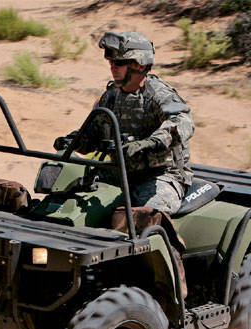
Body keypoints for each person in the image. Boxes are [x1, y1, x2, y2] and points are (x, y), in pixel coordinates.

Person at [55, 31, 195, 214]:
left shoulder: (159, 95)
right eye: (111, 62)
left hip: (160, 176)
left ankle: (169, 241)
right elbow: (93, 133)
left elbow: (183, 122)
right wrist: (73, 141)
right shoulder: (111, 97)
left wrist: (151, 143)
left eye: (119, 63)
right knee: (68, 198)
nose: (113, 67)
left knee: (149, 215)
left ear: (139, 65)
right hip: (118, 172)